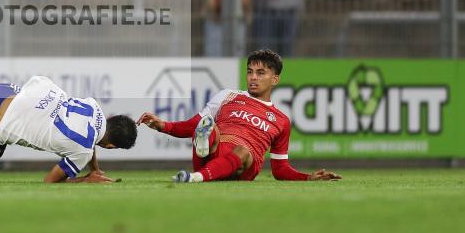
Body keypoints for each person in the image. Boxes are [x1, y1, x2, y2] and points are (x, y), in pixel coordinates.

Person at [138, 49, 341, 183]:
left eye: (261, 73)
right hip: (214, 153)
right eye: (250, 71)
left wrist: (307, 178)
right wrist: (162, 125)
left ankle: (195, 177)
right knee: (206, 125)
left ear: (275, 79)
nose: (253, 77)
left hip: (244, 165)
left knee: (242, 150)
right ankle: (203, 158)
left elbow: (280, 169)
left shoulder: (281, 120)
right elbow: (192, 125)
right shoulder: (228, 96)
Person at [0, 75, 138, 183]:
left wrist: (94, 167)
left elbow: (91, 136)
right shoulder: (82, 152)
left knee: (28, 98)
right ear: (110, 146)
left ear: (110, 117)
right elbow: (49, 181)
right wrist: (87, 179)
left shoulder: (93, 105)